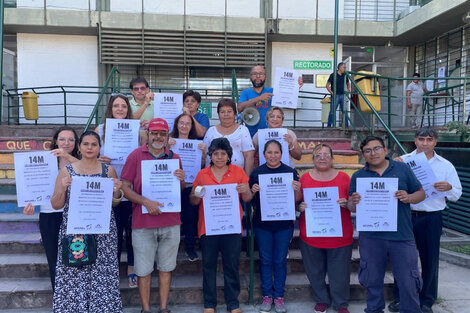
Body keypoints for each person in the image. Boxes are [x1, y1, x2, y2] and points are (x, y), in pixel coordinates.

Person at [348, 136, 425, 313]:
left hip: (401, 236)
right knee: (372, 280)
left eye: (376, 149)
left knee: (408, 281)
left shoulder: (402, 169)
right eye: (368, 150)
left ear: (386, 150)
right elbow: (351, 207)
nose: (373, 153)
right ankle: (374, 310)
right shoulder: (358, 176)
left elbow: (421, 193)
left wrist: (408, 197)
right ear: (363, 155)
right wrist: (353, 201)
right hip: (371, 238)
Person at [388, 127, 462, 313]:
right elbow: (390, 188)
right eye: (421, 139)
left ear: (435, 142)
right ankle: (401, 297)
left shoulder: (445, 165)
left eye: (429, 140)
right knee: (403, 259)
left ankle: (427, 300)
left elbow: (457, 194)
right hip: (405, 215)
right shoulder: (402, 161)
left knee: (429, 259)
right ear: (415, 141)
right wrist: (393, 167)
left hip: (431, 217)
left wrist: (448, 187)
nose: (425, 143)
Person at [51, 130, 123, 313]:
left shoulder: (108, 170)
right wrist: (62, 186)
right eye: (86, 144)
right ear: (79, 147)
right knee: (75, 273)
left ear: (99, 148)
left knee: (103, 274)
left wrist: (117, 190)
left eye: (94, 144)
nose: (89, 148)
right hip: (75, 231)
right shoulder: (66, 171)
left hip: (103, 232)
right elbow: (56, 204)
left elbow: (114, 203)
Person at [121, 118, 185, 313]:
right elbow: (124, 187)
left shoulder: (175, 157)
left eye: (162, 133)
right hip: (143, 222)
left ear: (167, 137)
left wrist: (181, 181)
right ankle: (146, 309)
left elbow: (179, 190)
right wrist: (145, 202)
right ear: (147, 134)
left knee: (166, 268)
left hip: (170, 221)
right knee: (143, 270)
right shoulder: (135, 156)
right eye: (154, 133)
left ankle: (164, 308)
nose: (158, 137)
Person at [189, 137, 253, 313]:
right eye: (215, 153)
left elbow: (247, 198)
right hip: (208, 228)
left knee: (231, 266)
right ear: (210, 155)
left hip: (231, 228)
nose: (219, 157)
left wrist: (245, 190)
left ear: (228, 156)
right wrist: (197, 193)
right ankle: (209, 304)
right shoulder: (203, 174)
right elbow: (193, 201)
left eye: (223, 153)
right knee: (208, 266)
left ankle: (233, 303)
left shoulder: (238, 172)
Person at [297, 144, 353, 313]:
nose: (322, 158)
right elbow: (296, 201)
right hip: (311, 234)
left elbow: (354, 204)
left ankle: (340, 303)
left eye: (326, 155)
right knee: (314, 271)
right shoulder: (304, 178)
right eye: (318, 155)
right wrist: (300, 206)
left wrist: (347, 203)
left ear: (332, 158)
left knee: (340, 273)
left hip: (340, 235)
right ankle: (321, 299)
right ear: (312, 159)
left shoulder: (344, 178)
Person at [23, 126, 79, 291]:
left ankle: (76, 297)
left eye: (71, 139)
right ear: (55, 141)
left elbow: (89, 169)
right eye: (62, 139)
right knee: (54, 259)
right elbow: (32, 187)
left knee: (76, 259)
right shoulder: (44, 160)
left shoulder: (81, 159)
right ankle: (60, 298)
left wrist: (67, 156)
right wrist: (30, 204)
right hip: (50, 215)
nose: (66, 143)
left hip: (75, 215)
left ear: (76, 143)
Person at [249, 140, 302, 313]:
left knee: (279, 260)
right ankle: (267, 296)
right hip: (262, 224)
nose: (273, 156)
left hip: (284, 225)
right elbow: (249, 200)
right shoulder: (257, 173)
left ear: (281, 154)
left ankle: (278, 296)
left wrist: (296, 189)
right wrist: (253, 190)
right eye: (269, 152)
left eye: (276, 152)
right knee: (265, 259)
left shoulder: (290, 172)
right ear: (263, 154)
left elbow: (296, 200)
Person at [95, 94, 138, 288]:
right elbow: (89, 158)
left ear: (128, 109)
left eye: (123, 106)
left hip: (130, 186)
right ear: (110, 109)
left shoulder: (137, 130)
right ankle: (111, 270)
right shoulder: (100, 130)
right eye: (115, 106)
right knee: (113, 231)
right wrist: (99, 159)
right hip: (108, 189)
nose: (119, 109)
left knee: (132, 231)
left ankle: (131, 267)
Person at [168, 113, 207, 261]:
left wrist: (203, 154)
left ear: (191, 127)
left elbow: (202, 166)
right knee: (172, 218)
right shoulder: (169, 142)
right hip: (172, 186)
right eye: (181, 123)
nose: (184, 126)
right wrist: (167, 147)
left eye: (188, 123)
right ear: (177, 124)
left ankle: (190, 248)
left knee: (190, 218)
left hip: (190, 185)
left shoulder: (197, 144)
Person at [238, 66, 303, 137]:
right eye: (254, 74)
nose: (258, 76)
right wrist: (259, 98)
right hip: (250, 134)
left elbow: (288, 99)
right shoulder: (245, 93)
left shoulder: (272, 91)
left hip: (271, 134)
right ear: (250, 77)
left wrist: (295, 86)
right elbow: (239, 108)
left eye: (261, 74)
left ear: (265, 77)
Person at [203, 98, 255, 175]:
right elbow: (204, 155)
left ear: (235, 113)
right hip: (212, 178)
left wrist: (247, 181)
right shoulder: (211, 131)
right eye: (222, 112)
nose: (226, 114)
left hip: (237, 178)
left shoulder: (242, 130)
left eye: (229, 111)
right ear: (218, 114)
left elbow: (249, 157)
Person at [326, 62, 351, 127]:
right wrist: (332, 93)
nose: (345, 69)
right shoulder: (333, 75)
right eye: (344, 67)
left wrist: (348, 89)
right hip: (335, 96)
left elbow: (348, 83)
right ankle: (329, 125)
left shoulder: (345, 75)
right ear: (340, 68)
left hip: (342, 95)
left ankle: (346, 125)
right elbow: (327, 85)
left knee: (344, 111)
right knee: (332, 111)